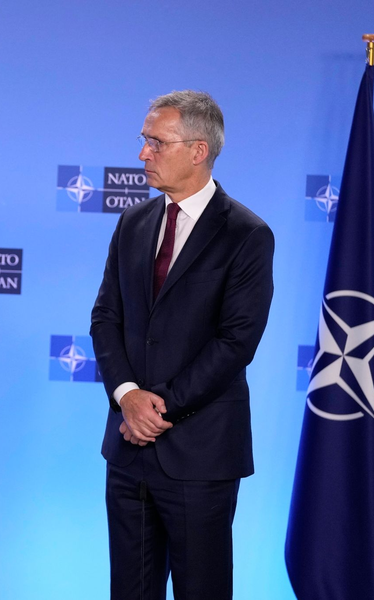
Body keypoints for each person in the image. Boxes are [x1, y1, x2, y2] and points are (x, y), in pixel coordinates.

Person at [90, 90, 274, 599]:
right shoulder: (132, 223)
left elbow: (236, 342)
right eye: (143, 140)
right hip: (128, 450)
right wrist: (128, 396)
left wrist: (158, 409)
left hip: (201, 453)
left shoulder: (247, 234)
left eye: (156, 142)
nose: (142, 153)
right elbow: (106, 317)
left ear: (198, 151)